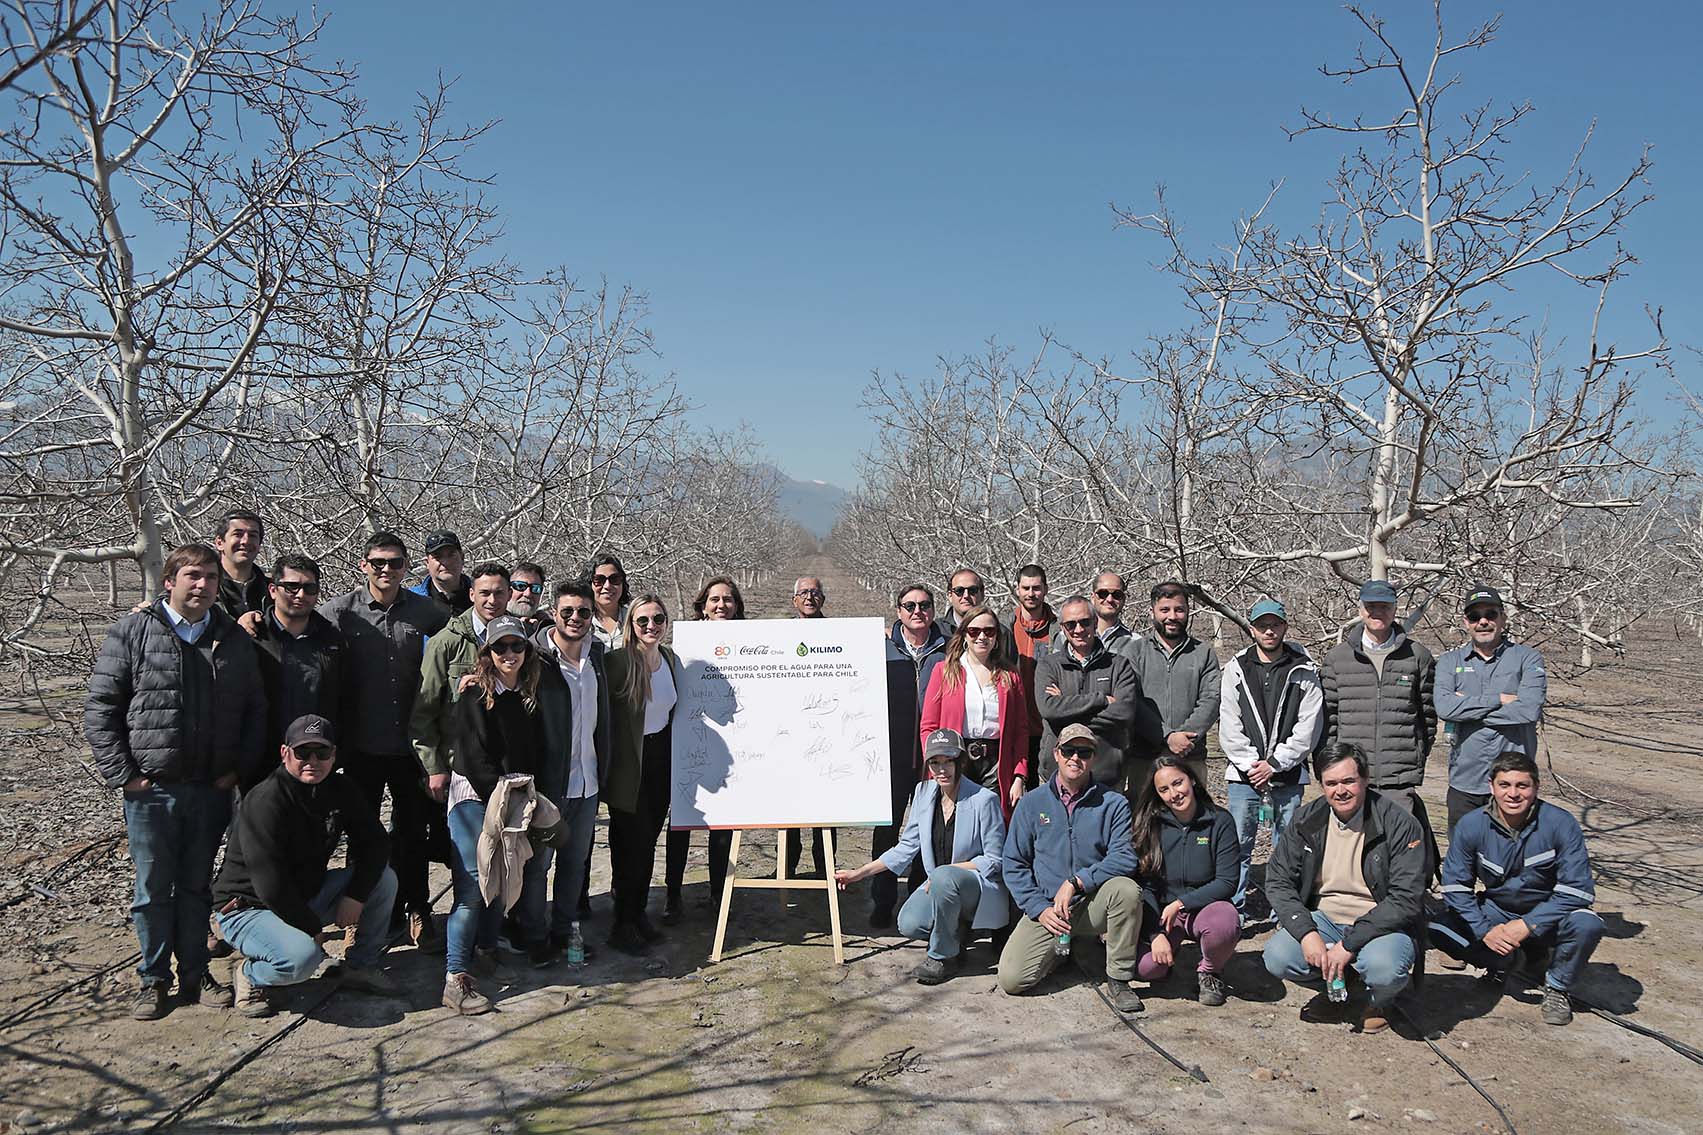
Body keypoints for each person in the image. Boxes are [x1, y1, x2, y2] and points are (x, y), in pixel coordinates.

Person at [85, 543, 266, 1020]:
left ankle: (195, 970)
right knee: (151, 889)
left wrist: (237, 771)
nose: (202, 584)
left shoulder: (231, 638)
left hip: (210, 787)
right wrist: (123, 775)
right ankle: (153, 978)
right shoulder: (134, 631)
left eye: (209, 577)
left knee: (196, 887)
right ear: (170, 581)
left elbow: (254, 711)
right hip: (153, 789)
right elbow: (102, 708)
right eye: (192, 575)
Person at [212, 715, 398, 1017]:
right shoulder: (265, 800)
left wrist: (356, 895)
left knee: (384, 880)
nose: (313, 761)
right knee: (302, 959)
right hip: (248, 907)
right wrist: (311, 929)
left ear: (334, 755)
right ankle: (252, 974)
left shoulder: (341, 788)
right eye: (303, 753)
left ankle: (361, 965)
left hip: (304, 895)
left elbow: (377, 844)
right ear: (285, 753)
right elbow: (269, 885)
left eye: (322, 753)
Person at [319, 532, 449, 951]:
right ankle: (361, 911)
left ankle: (416, 910)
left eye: (394, 562)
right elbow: (291, 621)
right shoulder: (341, 613)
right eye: (377, 562)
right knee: (361, 835)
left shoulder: (426, 612)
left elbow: (461, 639)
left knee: (412, 834)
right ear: (363, 565)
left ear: (406, 566)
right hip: (360, 747)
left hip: (410, 747)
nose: (386, 570)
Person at [1262, 743, 1428, 1034]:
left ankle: (1380, 1000)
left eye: (1349, 781)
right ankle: (1339, 985)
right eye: (1332, 783)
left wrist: (1349, 945)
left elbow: (1405, 898)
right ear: (1322, 785)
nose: (1341, 790)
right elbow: (1277, 880)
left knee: (1384, 968)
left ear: (1365, 779)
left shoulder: (1400, 824)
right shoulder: (1305, 820)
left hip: (1381, 923)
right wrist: (1306, 932)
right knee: (1278, 957)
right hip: (1325, 918)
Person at [1429, 752, 1602, 1025]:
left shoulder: (1560, 823)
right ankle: (1502, 963)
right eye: (1505, 785)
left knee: (1587, 924)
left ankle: (1557, 986)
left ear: (1536, 787)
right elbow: (1455, 887)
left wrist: (1529, 924)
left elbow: (1577, 891)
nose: (1513, 794)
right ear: (1491, 787)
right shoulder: (1472, 824)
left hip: (1548, 914)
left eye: (1522, 786)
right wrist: (1485, 929)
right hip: (1498, 912)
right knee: (1438, 928)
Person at [835, 729, 1009, 984]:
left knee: (945, 878)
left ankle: (943, 958)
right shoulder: (923, 793)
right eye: (935, 763)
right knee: (909, 923)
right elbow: (906, 847)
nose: (942, 769)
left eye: (948, 761)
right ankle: (955, 936)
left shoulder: (984, 799)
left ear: (960, 761)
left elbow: (995, 859)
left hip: (976, 889)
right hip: (939, 887)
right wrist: (858, 874)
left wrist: (944, 874)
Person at [997, 724, 1145, 1013]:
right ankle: (1063, 952)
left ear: (1094, 757)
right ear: (1056, 754)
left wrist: (1078, 881)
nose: (1075, 758)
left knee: (1127, 891)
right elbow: (1014, 864)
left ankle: (1118, 978)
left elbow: (1125, 857)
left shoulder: (1113, 803)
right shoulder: (1031, 803)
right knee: (1012, 980)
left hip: (1092, 902)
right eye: (1068, 751)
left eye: (1084, 752)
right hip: (1050, 909)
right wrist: (1039, 908)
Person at [441, 616, 546, 1014]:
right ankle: (455, 976)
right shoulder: (474, 696)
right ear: (487, 652)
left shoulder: (528, 695)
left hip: (513, 799)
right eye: (499, 647)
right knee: (472, 886)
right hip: (476, 799)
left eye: (516, 647)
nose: (509, 655)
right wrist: (502, 799)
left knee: (502, 881)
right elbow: (472, 758)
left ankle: (487, 950)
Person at [1320, 579, 1439, 872]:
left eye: (1384, 606)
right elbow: (1329, 719)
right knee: (1351, 853)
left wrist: (1413, 757)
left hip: (1398, 778)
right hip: (1350, 778)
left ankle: (1400, 912)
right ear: (1360, 610)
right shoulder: (1337, 659)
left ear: (1395, 609)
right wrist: (1332, 769)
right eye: (1371, 606)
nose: (1377, 612)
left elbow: (1427, 719)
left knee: (1399, 855)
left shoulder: (1417, 656)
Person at [524, 581, 613, 966]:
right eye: (567, 612)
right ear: (554, 614)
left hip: (587, 780)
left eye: (583, 612)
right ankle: (532, 935)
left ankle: (564, 931)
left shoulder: (597, 658)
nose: (575, 618)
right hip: (549, 784)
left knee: (575, 864)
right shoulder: (534, 658)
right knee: (538, 865)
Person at [1218, 598, 1324, 916]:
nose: (1269, 631)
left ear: (1284, 627)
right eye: (1262, 625)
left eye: (1275, 624)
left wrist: (1276, 763)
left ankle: (1285, 910)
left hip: (1288, 776)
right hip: (1244, 776)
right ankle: (1234, 908)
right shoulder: (1237, 668)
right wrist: (1253, 765)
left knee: (1288, 846)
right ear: (1251, 629)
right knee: (1238, 845)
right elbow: (1229, 722)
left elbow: (1310, 725)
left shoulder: (1303, 669)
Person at [866, 583, 950, 924]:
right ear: (898, 611)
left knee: (928, 830)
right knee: (887, 830)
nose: (918, 611)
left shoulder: (947, 652)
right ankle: (882, 900)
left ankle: (917, 898)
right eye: (910, 605)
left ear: (933, 609)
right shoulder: (880, 649)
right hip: (891, 758)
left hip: (933, 759)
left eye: (925, 605)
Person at [602, 595, 681, 952]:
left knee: (647, 843)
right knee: (628, 845)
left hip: (660, 759)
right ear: (631, 624)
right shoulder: (616, 663)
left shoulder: (669, 660)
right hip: (627, 764)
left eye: (658, 619)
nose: (651, 627)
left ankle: (638, 914)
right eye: (643, 621)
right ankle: (622, 922)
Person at [1435, 585, 1547, 834]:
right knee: (1462, 862)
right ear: (1466, 622)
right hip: (1465, 783)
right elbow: (1444, 707)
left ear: (1503, 618)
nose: (1483, 621)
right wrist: (1500, 699)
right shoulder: (1449, 662)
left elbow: (1528, 710)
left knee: (1512, 863)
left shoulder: (1528, 659)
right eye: (1475, 616)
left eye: (1491, 614)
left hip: (1513, 788)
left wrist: (1466, 706)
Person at [663, 576, 743, 921]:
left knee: (723, 823)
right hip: (687, 743)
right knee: (681, 823)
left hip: (732, 747)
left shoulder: (750, 641)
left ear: (737, 606)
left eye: (728, 599)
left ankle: (717, 894)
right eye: (714, 599)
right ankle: (673, 894)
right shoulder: (684, 646)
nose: (721, 605)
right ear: (702, 605)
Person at [1130, 758, 1240, 1005]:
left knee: (1224, 923)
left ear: (1191, 779)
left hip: (1206, 908)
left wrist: (1181, 903)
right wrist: (1155, 932)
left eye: (1177, 783)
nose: (1174, 794)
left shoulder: (1220, 821)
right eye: (1164, 790)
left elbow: (1227, 881)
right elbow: (1144, 884)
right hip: (1164, 914)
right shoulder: (1152, 824)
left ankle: (1210, 970)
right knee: (1147, 970)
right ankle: (1169, 953)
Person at [243, 553, 349, 791]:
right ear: (272, 589)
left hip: (316, 763)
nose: (300, 595)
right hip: (260, 765)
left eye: (309, 588)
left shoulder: (333, 640)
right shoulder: (252, 638)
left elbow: (345, 700)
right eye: (291, 587)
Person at [413, 562, 514, 808]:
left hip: (509, 766)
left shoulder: (519, 641)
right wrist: (433, 768)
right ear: (471, 594)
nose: (492, 600)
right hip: (458, 768)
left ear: (510, 594)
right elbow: (423, 713)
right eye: (484, 593)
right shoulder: (446, 643)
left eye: (499, 592)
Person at [920, 605, 1030, 819]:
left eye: (989, 631)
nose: (982, 636)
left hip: (997, 762)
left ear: (997, 636)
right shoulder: (944, 672)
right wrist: (935, 762)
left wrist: (1019, 775)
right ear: (964, 635)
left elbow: (1020, 730)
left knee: (993, 823)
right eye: (974, 631)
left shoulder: (1010, 676)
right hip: (954, 758)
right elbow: (928, 727)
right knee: (954, 821)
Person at [1033, 595, 1139, 790]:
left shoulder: (1118, 665)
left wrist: (1065, 707)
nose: (1079, 629)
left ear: (1095, 622)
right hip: (1055, 776)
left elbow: (1124, 713)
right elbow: (1049, 710)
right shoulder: (1048, 665)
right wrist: (1101, 700)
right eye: (1071, 624)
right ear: (1063, 628)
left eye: (1085, 622)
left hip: (1106, 775)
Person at [1128, 580, 1220, 790]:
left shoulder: (1203, 653)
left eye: (1179, 610)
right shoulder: (1135, 651)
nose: (1172, 616)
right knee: (1144, 820)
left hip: (1191, 757)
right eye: (1164, 610)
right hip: (1144, 758)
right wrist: (1166, 736)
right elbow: (1132, 700)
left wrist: (1184, 739)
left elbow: (1211, 700)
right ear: (1152, 612)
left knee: (1193, 818)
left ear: (1188, 611)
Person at [784, 575, 832, 877]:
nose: (809, 597)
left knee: (827, 813)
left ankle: (825, 870)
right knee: (787, 808)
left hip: (826, 733)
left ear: (823, 600)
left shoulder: (839, 635)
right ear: (794, 600)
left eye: (815, 593)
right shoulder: (779, 635)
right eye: (803, 593)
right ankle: (786, 867)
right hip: (789, 733)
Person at [214, 509, 269, 619]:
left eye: (253, 535)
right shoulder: (205, 587)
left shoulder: (273, 591)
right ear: (219, 543)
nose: (245, 541)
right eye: (238, 534)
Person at [413, 530, 472, 617]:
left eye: (451, 555)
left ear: (462, 558)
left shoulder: (482, 596)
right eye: (437, 557)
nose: (446, 562)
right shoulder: (412, 600)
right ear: (427, 563)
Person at [1087, 571, 1138, 659]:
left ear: (1123, 599)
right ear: (1092, 597)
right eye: (1103, 594)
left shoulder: (1136, 642)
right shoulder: (1071, 637)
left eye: (1117, 595)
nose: (1110, 599)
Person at [585, 552, 630, 648]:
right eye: (599, 580)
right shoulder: (581, 621)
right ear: (589, 584)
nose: (607, 586)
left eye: (614, 579)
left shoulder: (634, 619)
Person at [507, 561, 550, 636]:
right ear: (507, 589)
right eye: (520, 586)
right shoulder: (490, 623)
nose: (528, 594)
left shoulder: (550, 630)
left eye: (535, 588)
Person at [941, 568, 987, 632]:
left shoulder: (999, 632)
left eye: (972, 590)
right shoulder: (935, 631)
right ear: (950, 595)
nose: (966, 596)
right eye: (959, 590)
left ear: (982, 594)